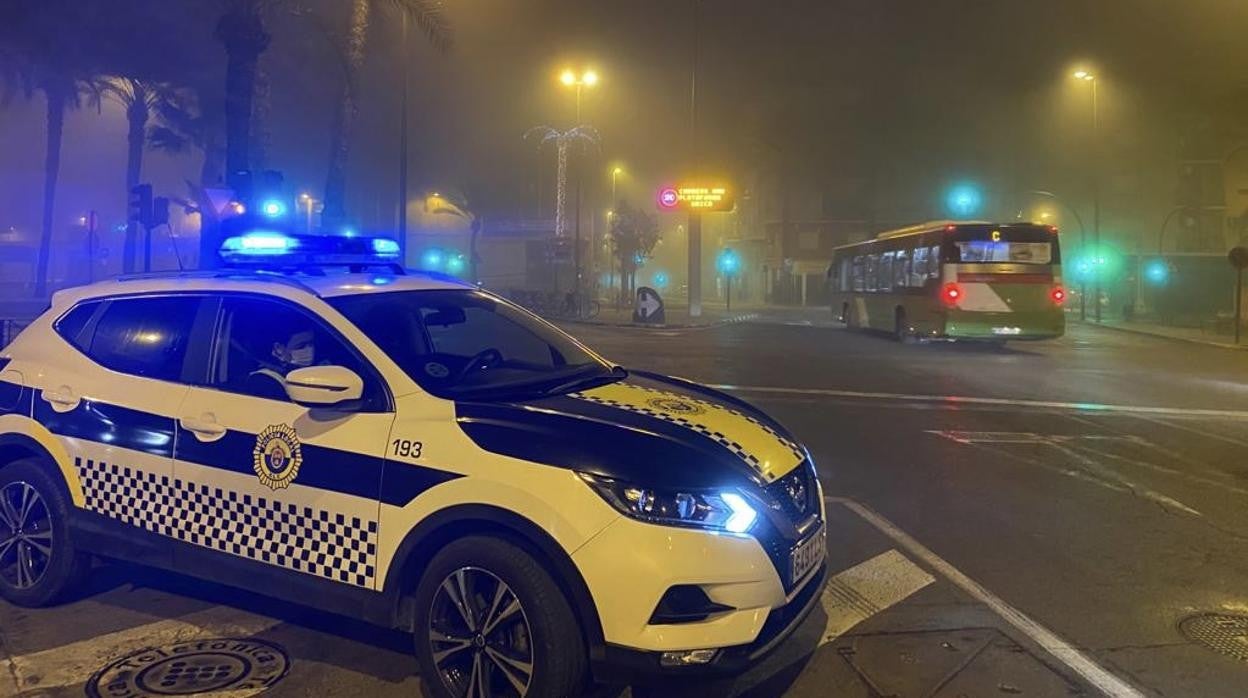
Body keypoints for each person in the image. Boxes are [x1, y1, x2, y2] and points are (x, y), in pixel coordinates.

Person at [246, 329, 317, 401]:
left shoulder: (312, 368)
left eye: (311, 344)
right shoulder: (264, 381)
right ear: (279, 348)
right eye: (300, 346)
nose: (309, 349)